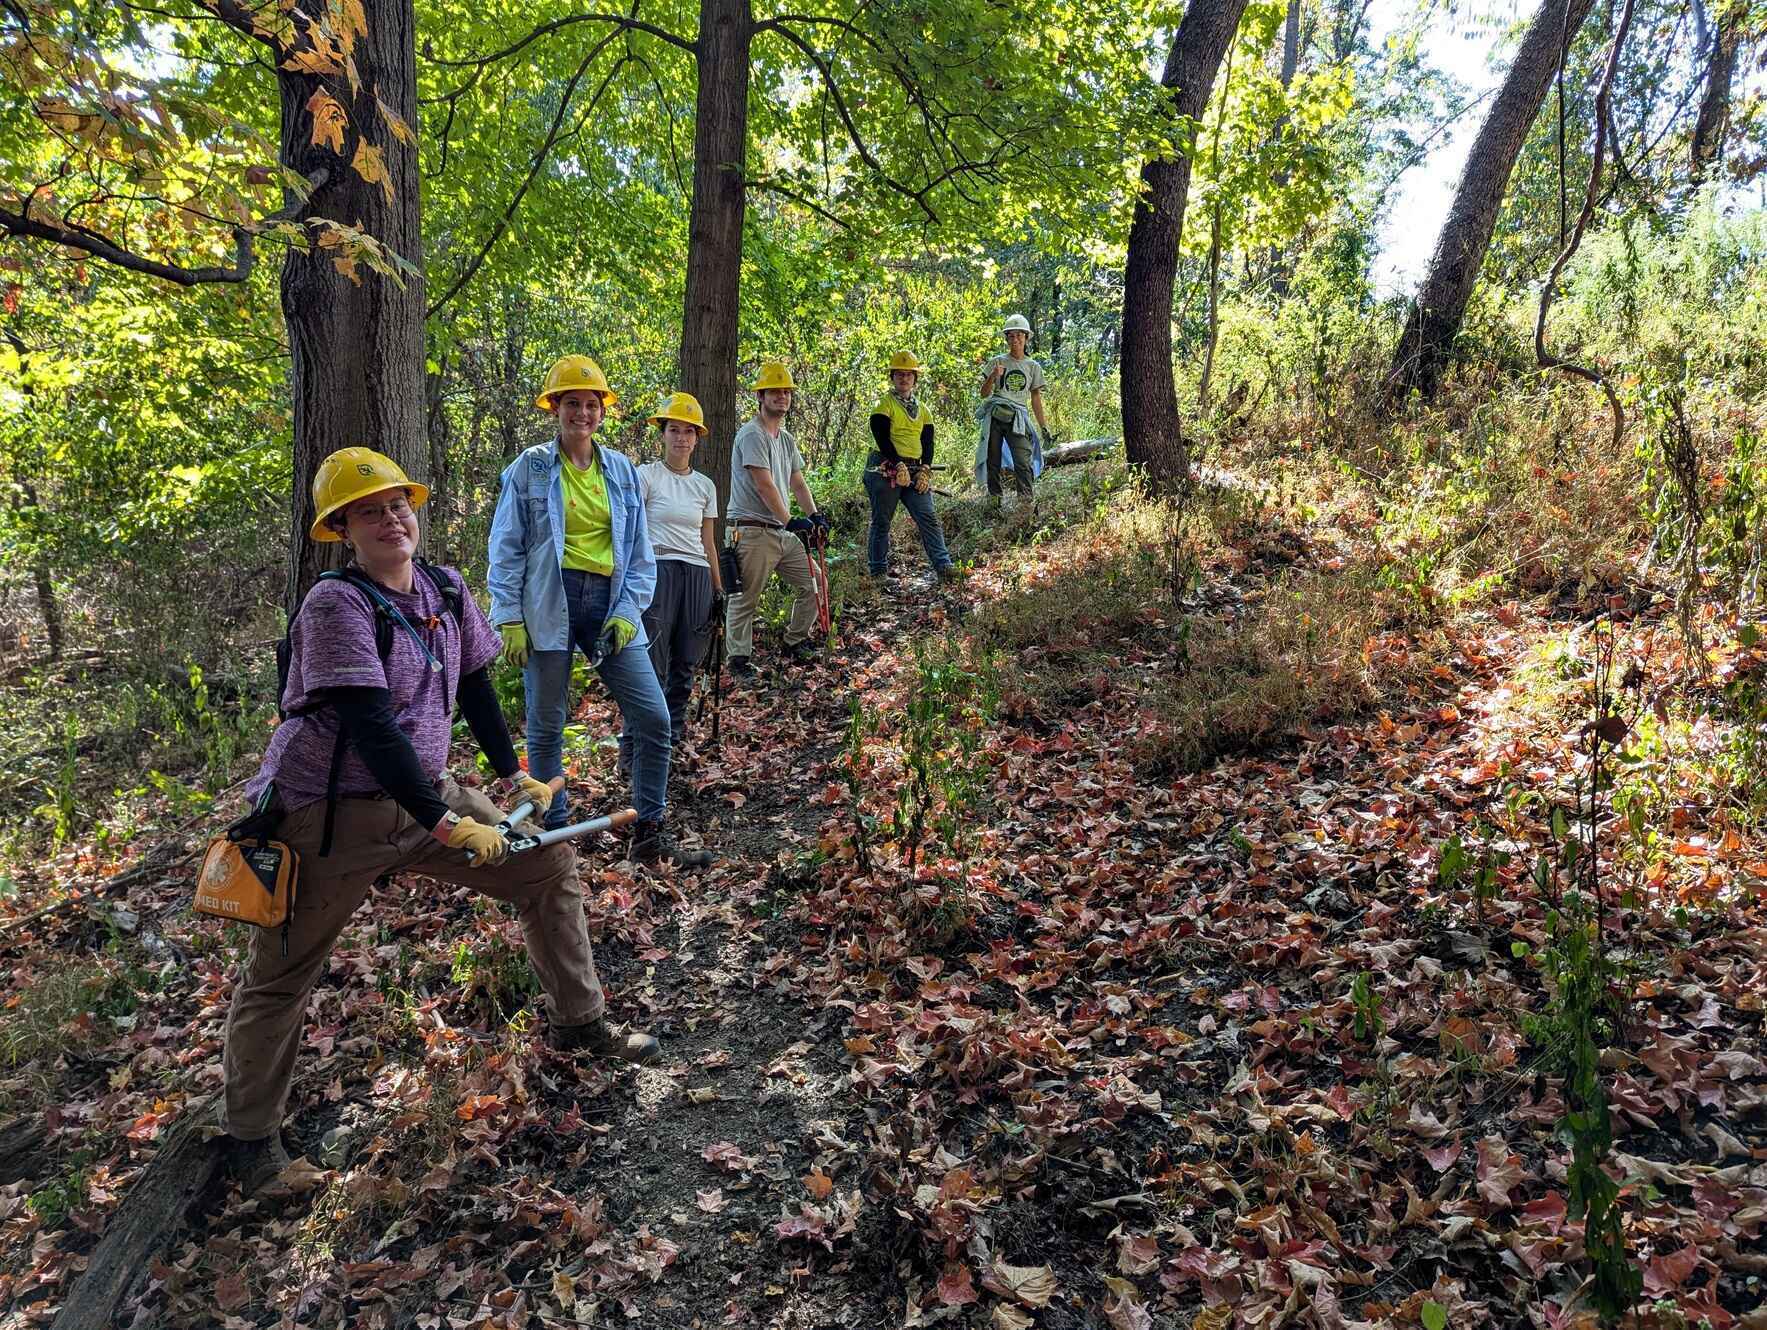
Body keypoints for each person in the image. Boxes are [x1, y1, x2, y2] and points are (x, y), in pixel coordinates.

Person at [220, 447, 658, 1193]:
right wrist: (448, 825)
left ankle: (580, 1020)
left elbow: (479, 687)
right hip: (326, 817)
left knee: (546, 866)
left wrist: (512, 772)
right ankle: (251, 1147)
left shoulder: (446, 588)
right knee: (281, 973)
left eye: (398, 505)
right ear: (340, 529)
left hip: (423, 791)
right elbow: (369, 729)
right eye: (369, 511)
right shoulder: (335, 606)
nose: (391, 520)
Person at [488, 355, 711, 868]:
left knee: (654, 716)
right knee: (546, 724)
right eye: (572, 403)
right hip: (548, 601)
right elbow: (507, 546)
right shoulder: (532, 468)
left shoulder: (621, 472)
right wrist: (509, 617)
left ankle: (650, 828)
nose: (582, 413)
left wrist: (629, 610)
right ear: (555, 408)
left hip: (608, 601)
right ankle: (555, 835)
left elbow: (639, 552)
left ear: (602, 411)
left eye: (591, 404)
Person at [723, 360, 828, 677]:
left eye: (786, 391)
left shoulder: (786, 440)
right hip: (752, 530)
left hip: (780, 532)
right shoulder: (751, 435)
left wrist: (814, 515)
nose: (782, 396)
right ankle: (738, 660)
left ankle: (794, 642)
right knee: (745, 599)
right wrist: (792, 521)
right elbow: (763, 483)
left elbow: (796, 481)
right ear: (761, 396)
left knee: (816, 583)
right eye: (775, 391)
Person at [635, 391, 723, 753]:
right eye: (674, 430)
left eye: (689, 432)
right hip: (658, 569)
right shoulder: (646, 476)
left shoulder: (705, 485)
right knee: (653, 660)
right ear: (663, 433)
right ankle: (642, 740)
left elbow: (709, 541)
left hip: (697, 573)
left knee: (685, 661)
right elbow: (631, 530)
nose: (681, 438)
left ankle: (672, 734)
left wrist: (719, 589)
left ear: (697, 438)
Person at [864, 351, 955, 584]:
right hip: (885, 468)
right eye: (899, 374)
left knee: (928, 516)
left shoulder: (923, 410)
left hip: (914, 470)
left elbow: (928, 442)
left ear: (915, 379)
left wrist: (925, 469)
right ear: (892, 377)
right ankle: (878, 573)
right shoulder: (883, 405)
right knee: (882, 520)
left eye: (909, 375)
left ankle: (944, 566)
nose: (904, 379)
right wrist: (898, 464)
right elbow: (882, 439)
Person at [976, 313, 1052, 505]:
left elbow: (1035, 398)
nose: (1015, 339)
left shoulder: (1033, 366)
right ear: (1007, 338)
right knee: (993, 461)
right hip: (995, 416)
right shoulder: (997, 361)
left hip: (1018, 418)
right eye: (1011, 335)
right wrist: (993, 376)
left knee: (1022, 461)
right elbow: (983, 394)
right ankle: (995, 503)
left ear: (1026, 338)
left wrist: (1043, 427)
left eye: (1019, 335)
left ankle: (1025, 504)